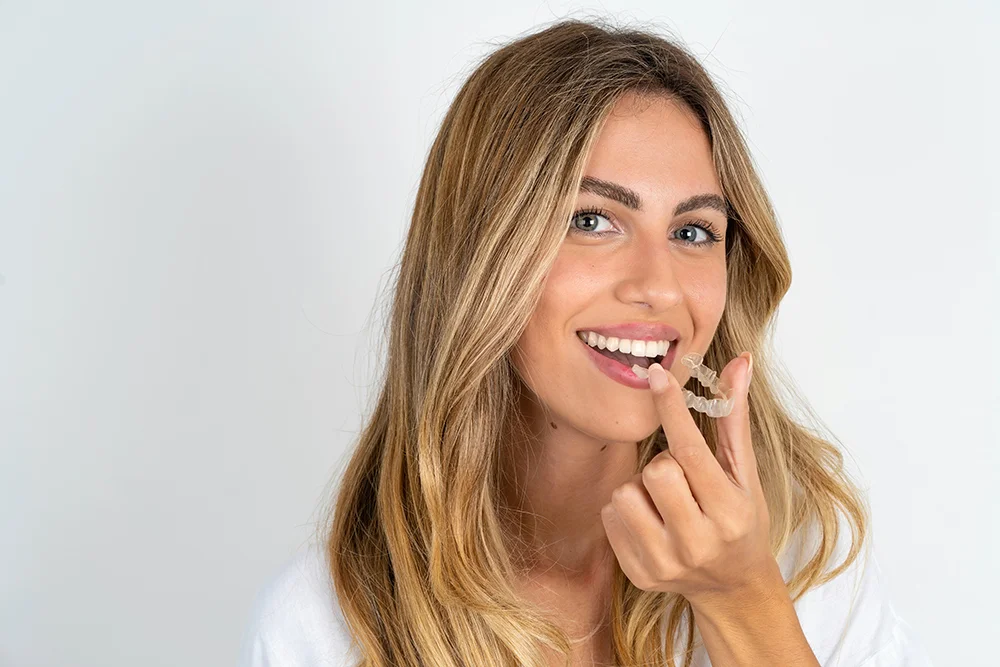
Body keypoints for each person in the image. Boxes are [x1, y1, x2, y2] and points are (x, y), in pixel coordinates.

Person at [238, 17, 935, 667]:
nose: (659, 286)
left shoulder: (808, 558)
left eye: (693, 232)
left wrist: (741, 599)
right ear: (482, 251)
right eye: (593, 220)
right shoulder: (323, 627)